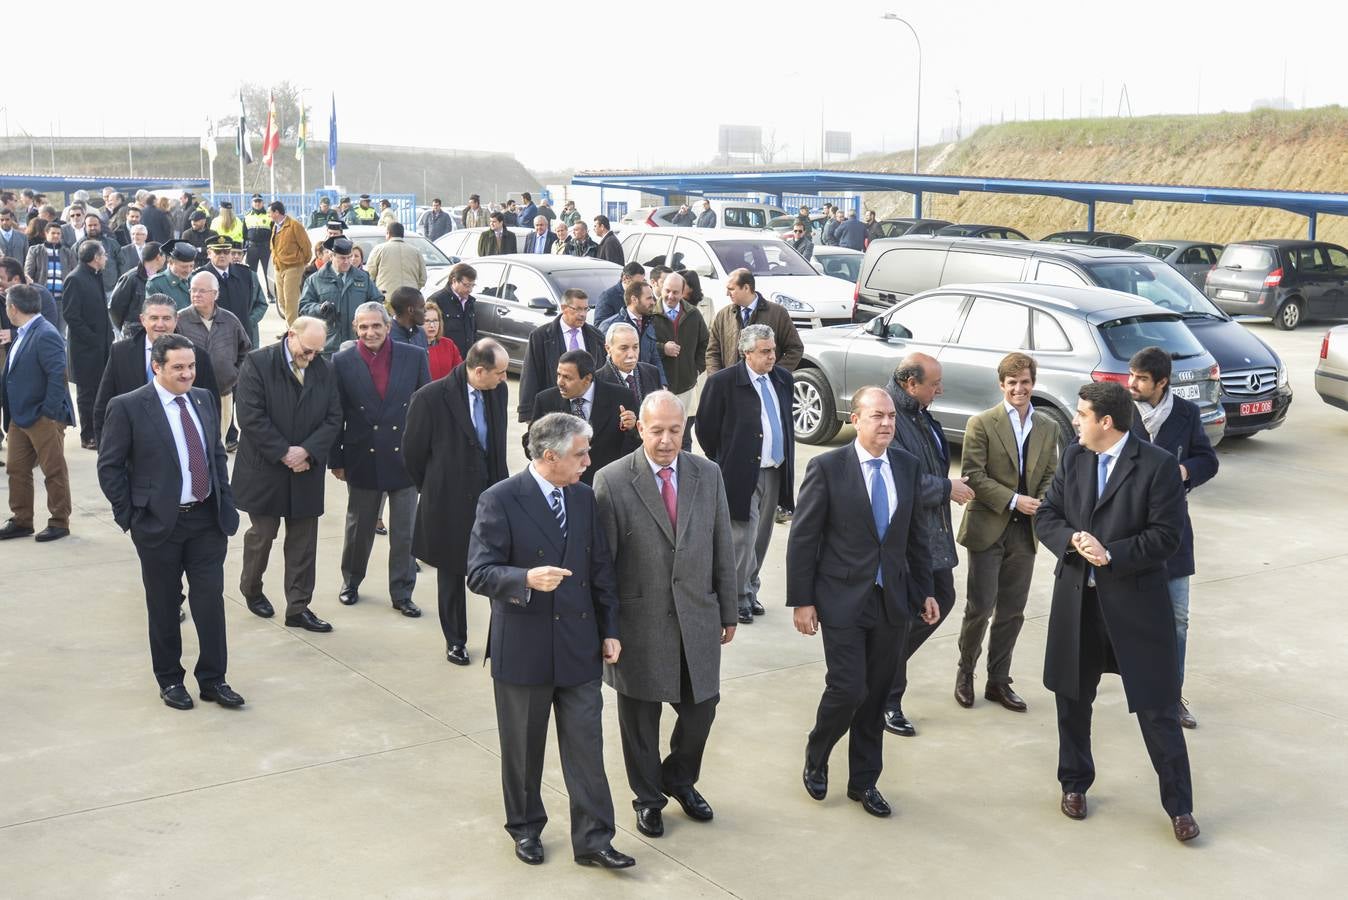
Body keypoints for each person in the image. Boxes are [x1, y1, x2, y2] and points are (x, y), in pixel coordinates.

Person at [466, 413, 633, 870]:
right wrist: (525, 578)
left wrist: (610, 629)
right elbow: (478, 572)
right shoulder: (499, 499)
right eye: (580, 454)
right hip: (524, 648)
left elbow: (601, 569)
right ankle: (525, 829)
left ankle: (595, 839)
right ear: (549, 456)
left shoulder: (582, 498)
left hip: (579, 644)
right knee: (523, 750)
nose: (588, 462)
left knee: (587, 748)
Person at [1035, 381, 1198, 843]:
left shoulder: (1158, 466)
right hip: (1078, 603)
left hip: (1136, 608)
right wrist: (1071, 540)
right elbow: (1048, 515)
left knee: (1157, 707)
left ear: (1106, 422)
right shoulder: (1075, 456)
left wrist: (1112, 554)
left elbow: (1167, 537)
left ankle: (1180, 806)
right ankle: (1074, 784)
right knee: (1071, 698)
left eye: (1081, 414)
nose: (1075, 421)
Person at [788, 386, 938, 819]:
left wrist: (924, 590)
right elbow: (804, 538)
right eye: (877, 416)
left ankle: (864, 782)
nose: (887, 423)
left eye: (891, 415)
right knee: (849, 688)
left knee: (874, 697)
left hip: (891, 600)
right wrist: (802, 600)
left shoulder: (906, 467)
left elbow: (915, 537)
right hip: (841, 599)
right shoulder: (827, 467)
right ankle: (818, 752)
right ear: (856, 419)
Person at [594, 390, 738, 838]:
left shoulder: (707, 474)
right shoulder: (612, 480)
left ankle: (678, 779)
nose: (666, 440)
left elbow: (721, 545)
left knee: (702, 709)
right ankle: (648, 798)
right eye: (656, 430)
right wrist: (607, 628)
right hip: (639, 625)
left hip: (696, 616)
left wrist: (728, 609)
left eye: (675, 430)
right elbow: (603, 567)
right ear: (640, 428)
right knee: (639, 720)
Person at [96, 334, 244, 710]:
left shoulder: (204, 399)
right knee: (163, 605)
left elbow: (214, 456)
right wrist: (129, 517)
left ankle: (213, 680)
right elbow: (110, 466)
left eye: (191, 366)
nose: (187, 374)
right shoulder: (128, 406)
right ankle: (170, 681)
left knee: (209, 601)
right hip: (158, 525)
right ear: (157, 367)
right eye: (178, 367)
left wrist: (224, 502)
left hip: (206, 521)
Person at [952, 352, 1060, 726]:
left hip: (1025, 531)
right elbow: (972, 475)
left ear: (1033, 383)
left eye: (1025, 382)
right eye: (1012, 382)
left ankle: (999, 680)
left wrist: (1041, 501)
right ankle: (966, 673)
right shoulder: (981, 423)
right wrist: (1015, 500)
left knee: (1012, 612)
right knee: (979, 608)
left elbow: (1050, 472)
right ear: (1002, 385)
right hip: (989, 525)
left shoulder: (1047, 427)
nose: (1019, 388)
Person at [232, 317, 343, 634]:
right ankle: (251, 588)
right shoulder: (257, 362)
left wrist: (306, 451)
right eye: (307, 350)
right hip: (265, 469)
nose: (311, 357)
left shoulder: (324, 368)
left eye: (317, 352)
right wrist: (285, 452)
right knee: (263, 536)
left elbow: (334, 417)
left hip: (306, 469)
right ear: (291, 335)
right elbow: (250, 416)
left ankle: (298, 607)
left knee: (304, 543)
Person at [876, 353, 969, 734]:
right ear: (911, 384)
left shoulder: (918, 413)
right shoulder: (892, 419)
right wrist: (948, 488)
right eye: (934, 383)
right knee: (910, 614)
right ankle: (886, 696)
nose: (940, 389)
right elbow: (900, 481)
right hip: (906, 538)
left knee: (940, 600)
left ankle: (881, 672)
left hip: (931, 533)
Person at [1127, 346, 1218, 730]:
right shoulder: (1120, 409)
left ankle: (1170, 695)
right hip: (1127, 529)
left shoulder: (1186, 413)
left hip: (1173, 531)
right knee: (1125, 619)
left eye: (1141, 379)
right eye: (1131, 376)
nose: (1132, 384)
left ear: (1162, 383)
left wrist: (1183, 471)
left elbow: (1208, 460)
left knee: (1177, 619)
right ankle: (1132, 688)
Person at [405, 338, 509, 666]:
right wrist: (435, 487)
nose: (505, 379)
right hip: (448, 502)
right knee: (451, 574)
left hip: (490, 498)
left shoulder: (497, 392)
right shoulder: (430, 398)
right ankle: (455, 640)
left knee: (498, 569)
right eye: (500, 373)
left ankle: (503, 639)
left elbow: (497, 445)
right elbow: (413, 454)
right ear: (479, 371)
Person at [330, 302, 431, 616]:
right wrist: (337, 459)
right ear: (355, 329)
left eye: (376, 326)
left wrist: (428, 455)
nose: (370, 332)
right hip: (363, 456)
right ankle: (351, 582)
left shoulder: (414, 356)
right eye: (363, 327)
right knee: (358, 529)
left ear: (388, 327)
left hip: (405, 458)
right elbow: (335, 415)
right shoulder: (341, 361)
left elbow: (426, 409)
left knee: (405, 533)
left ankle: (402, 593)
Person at [696, 324, 794, 624]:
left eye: (773, 350)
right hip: (740, 473)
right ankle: (736, 598)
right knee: (741, 537)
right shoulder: (724, 383)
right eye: (764, 352)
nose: (771, 357)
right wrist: (725, 461)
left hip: (775, 471)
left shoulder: (783, 379)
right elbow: (705, 428)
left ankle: (750, 591)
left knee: (761, 538)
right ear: (746, 353)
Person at [94, 294, 221, 446]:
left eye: (166, 318)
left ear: (176, 320)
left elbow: (211, 408)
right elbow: (103, 405)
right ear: (143, 320)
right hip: (131, 446)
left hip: (181, 447)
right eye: (154, 318)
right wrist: (105, 450)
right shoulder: (120, 353)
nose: (160, 324)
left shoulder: (197, 356)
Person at [0, 284, 74, 541]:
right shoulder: (23, 332)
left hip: (42, 416)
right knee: (16, 468)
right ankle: (22, 520)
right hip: (20, 415)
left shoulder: (45, 333)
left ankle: (59, 521)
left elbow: (58, 375)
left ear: (13, 308)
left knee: (53, 469)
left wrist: (49, 413)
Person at [530, 350, 638, 485]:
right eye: (558, 375)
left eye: (567, 377)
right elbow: (531, 444)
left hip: (607, 483)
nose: (560, 382)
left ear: (587, 379)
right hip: (563, 484)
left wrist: (633, 428)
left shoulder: (622, 397)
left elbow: (636, 446)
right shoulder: (545, 400)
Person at [175, 272, 251, 444]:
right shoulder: (180, 320)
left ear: (215, 294)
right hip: (188, 394)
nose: (196, 294)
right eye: (193, 290)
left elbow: (245, 351)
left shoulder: (230, 320)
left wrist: (234, 375)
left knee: (218, 443)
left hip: (223, 393)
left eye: (202, 291)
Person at [516, 288, 606, 423]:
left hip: (589, 408)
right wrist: (528, 414)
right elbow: (531, 375)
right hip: (554, 409)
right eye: (577, 309)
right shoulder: (541, 336)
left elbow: (602, 372)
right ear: (564, 308)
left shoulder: (595, 336)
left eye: (586, 309)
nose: (582, 314)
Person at [63, 240, 115, 449]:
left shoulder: (96, 275)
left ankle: (99, 430)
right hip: (85, 349)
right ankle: (88, 435)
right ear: (95, 257)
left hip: (101, 346)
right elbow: (71, 316)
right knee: (87, 394)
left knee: (100, 391)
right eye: (103, 254)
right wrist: (93, 339)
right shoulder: (75, 279)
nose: (106, 258)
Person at [704, 268, 803, 374]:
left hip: (764, 386)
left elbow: (795, 348)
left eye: (731, 289)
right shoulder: (723, 315)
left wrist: (776, 375)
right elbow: (712, 352)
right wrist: (717, 379)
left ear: (746, 287)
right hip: (731, 386)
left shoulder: (778, 313)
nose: (727, 293)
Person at [651, 272, 708, 451]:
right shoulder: (651, 314)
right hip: (658, 386)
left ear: (683, 292)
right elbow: (643, 345)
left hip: (686, 388)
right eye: (667, 291)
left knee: (683, 437)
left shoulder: (693, 314)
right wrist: (662, 348)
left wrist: (696, 369)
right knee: (659, 435)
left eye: (676, 292)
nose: (670, 296)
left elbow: (705, 343)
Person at [298, 237, 383, 356]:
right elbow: (304, 306)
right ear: (331, 256)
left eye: (350, 257)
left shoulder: (362, 278)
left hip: (358, 344)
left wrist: (366, 318)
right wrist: (320, 308)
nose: (347, 261)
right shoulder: (316, 280)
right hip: (329, 345)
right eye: (342, 258)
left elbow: (376, 302)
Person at [194, 238, 268, 351]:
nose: (222, 255)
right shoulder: (199, 277)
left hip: (243, 338)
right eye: (218, 252)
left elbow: (260, 303)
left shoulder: (246, 274)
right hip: (212, 340)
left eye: (226, 252)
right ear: (209, 253)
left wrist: (249, 321)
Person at [596, 321, 663, 407]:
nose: (631, 355)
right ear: (608, 349)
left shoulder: (652, 372)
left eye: (635, 347)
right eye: (624, 348)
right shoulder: (597, 381)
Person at [269, 202, 312, 326]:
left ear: (277, 212)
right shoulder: (275, 226)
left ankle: (292, 331)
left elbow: (306, 246)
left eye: (270, 212)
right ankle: (293, 326)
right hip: (279, 267)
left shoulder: (294, 226)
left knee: (291, 302)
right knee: (282, 301)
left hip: (293, 267)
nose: (269, 215)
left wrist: (301, 262)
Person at [110, 242, 164, 337]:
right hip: (133, 332)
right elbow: (115, 307)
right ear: (159, 257)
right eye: (165, 256)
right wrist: (126, 327)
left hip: (156, 329)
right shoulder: (131, 278)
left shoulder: (162, 277)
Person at [426, 262, 478, 358]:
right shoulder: (437, 300)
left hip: (466, 358)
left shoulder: (469, 301)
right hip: (446, 357)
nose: (470, 290)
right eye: (466, 285)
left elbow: (473, 331)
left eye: (472, 285)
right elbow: (431, 333)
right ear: (454, 281)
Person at [24, 221, 75, 310]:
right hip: (42, 298)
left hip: (62, 299)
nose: (56, 236)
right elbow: (28, 274)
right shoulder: (35, 250)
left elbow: (74, 274)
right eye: (53, 233)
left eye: (58, 233)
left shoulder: (68, 252)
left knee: (60, 324)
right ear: (46, 233)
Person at [367, 222, 427, 294]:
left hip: (386, 295)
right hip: (411, 297)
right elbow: (423, 278)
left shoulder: (379, 249)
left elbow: (370, 274)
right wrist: (415, 289)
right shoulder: (416, 251)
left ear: (388, 233)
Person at [146, 240, 198, 311]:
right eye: (184, 267)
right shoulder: (156, 284)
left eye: (191, 266)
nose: (188, 270)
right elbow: (155, 313)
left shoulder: (196, 280)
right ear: (170, 262)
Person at [421, 301, 464, 380]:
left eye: (435, 320)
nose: (432, 325)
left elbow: (460, 372)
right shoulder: (415, 345)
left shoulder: (448, 344)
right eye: (427, 321)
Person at [387, 286, 429, 350]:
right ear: (410, 310)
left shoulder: (421, 333)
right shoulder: (386, 335)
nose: (425, 311)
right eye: (422, 307)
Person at [242, 195, 272, 275]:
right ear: (252, 203)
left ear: (263, 203)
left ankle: (270, 288)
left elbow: (273, 233)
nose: (257, 203)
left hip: (266, 248)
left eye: (259, 201)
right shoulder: (247, 216)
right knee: (250, 272)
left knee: (268, 273)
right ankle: (252, 287)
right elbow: (244, 234)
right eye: (255, 201)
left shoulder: (269, 215)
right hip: (252, 248)